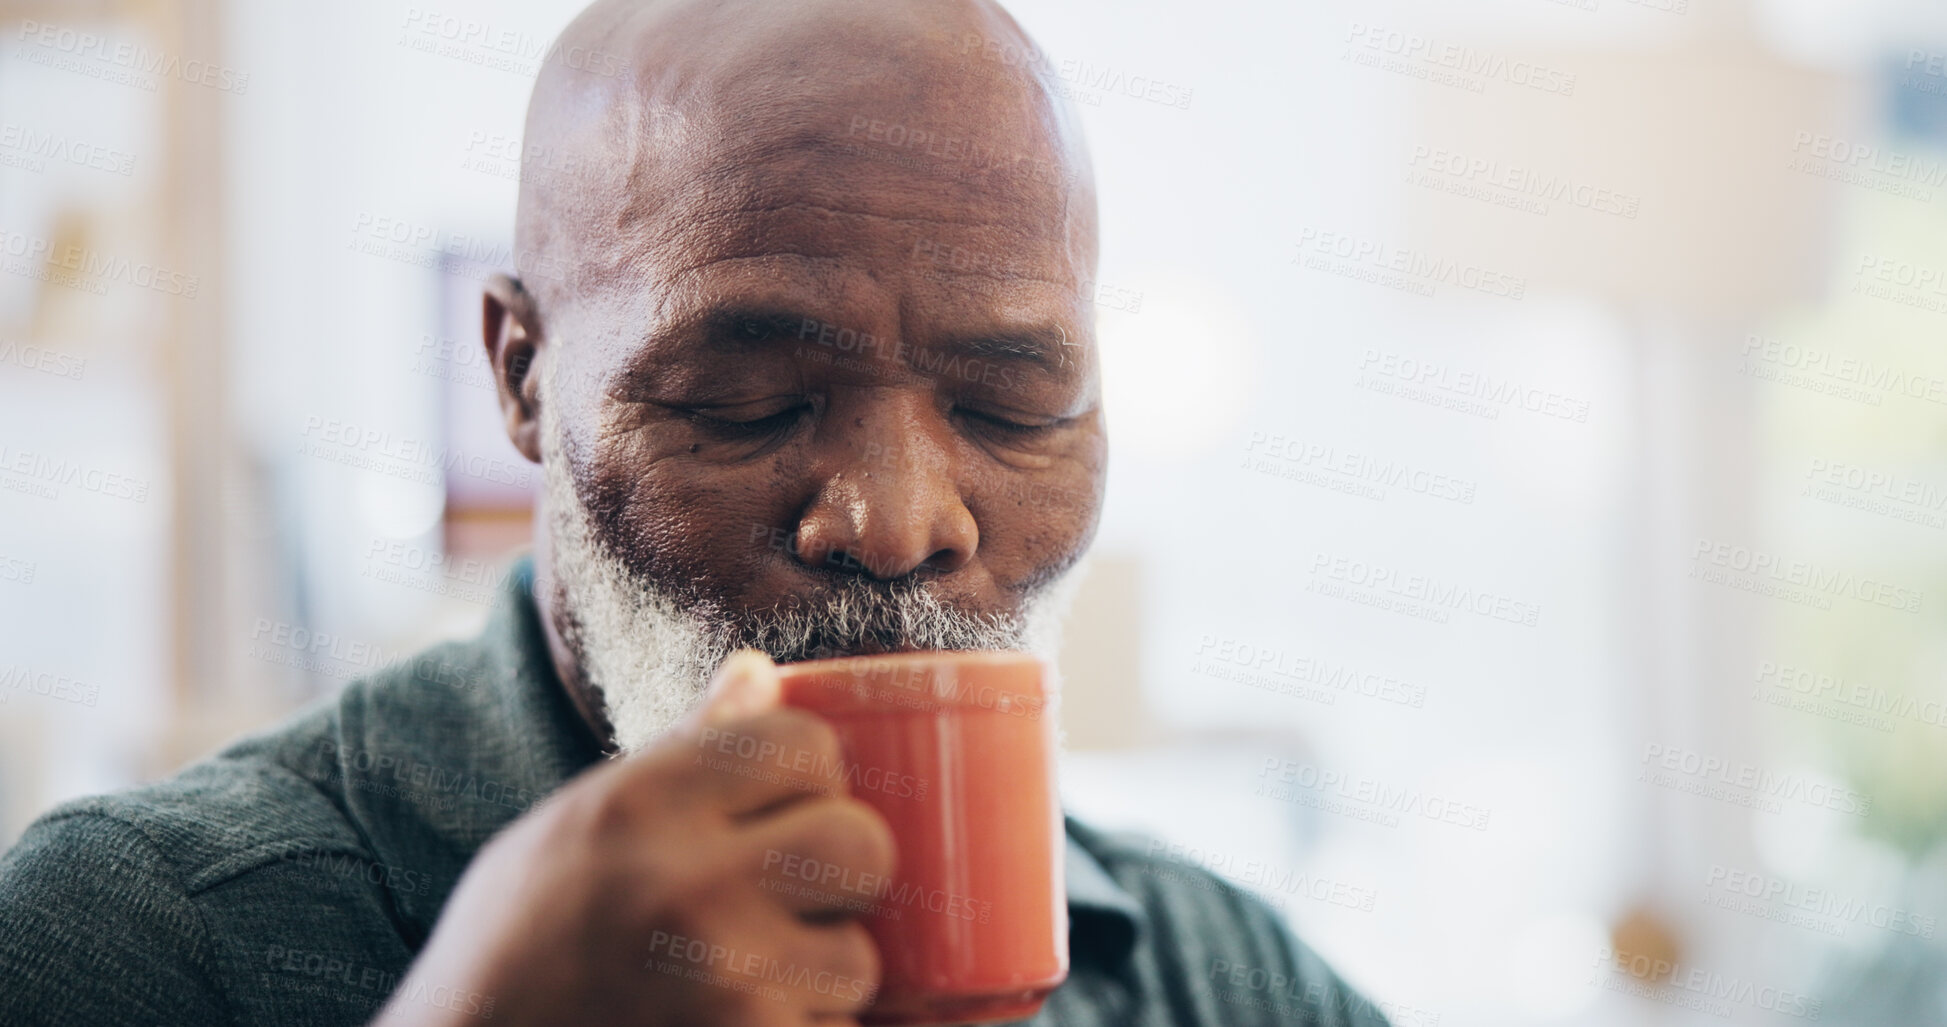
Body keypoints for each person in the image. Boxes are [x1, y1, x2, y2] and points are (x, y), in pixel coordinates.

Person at [0, 1, 1390, 1024]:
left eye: (1011, 409)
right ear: (523, 379)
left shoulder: (1219, 978)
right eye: (746, 399)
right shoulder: (139, 943)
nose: (899, 523)